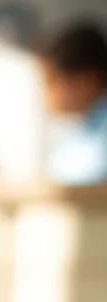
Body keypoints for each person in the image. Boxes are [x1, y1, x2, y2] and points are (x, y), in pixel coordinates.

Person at [40, 21, 107, 185]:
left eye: (52, 81)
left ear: (86, 81)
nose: (45, 93)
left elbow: (79, 175)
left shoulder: (100, 128)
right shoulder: (89, 124)